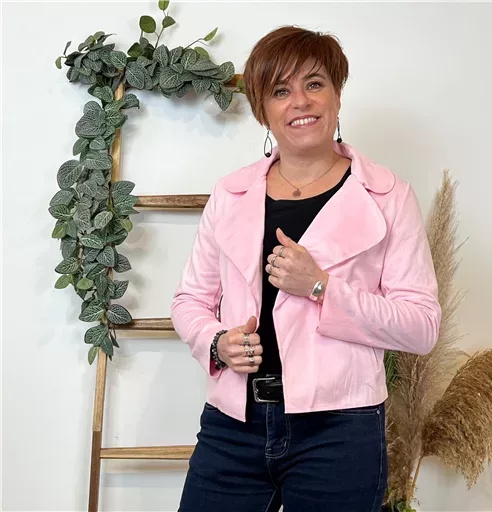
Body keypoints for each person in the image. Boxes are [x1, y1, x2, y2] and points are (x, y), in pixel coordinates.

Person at [171, 25, 441, 512]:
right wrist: (216, 342)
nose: (300, 101)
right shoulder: (230, 195)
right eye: (280, 90)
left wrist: (320, 286)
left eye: (314, 83)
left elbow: (421, 327)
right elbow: (190, 300)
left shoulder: (388, 197)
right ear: (263, 111)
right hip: (233, 423)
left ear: (337, 95)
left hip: (339, 429)